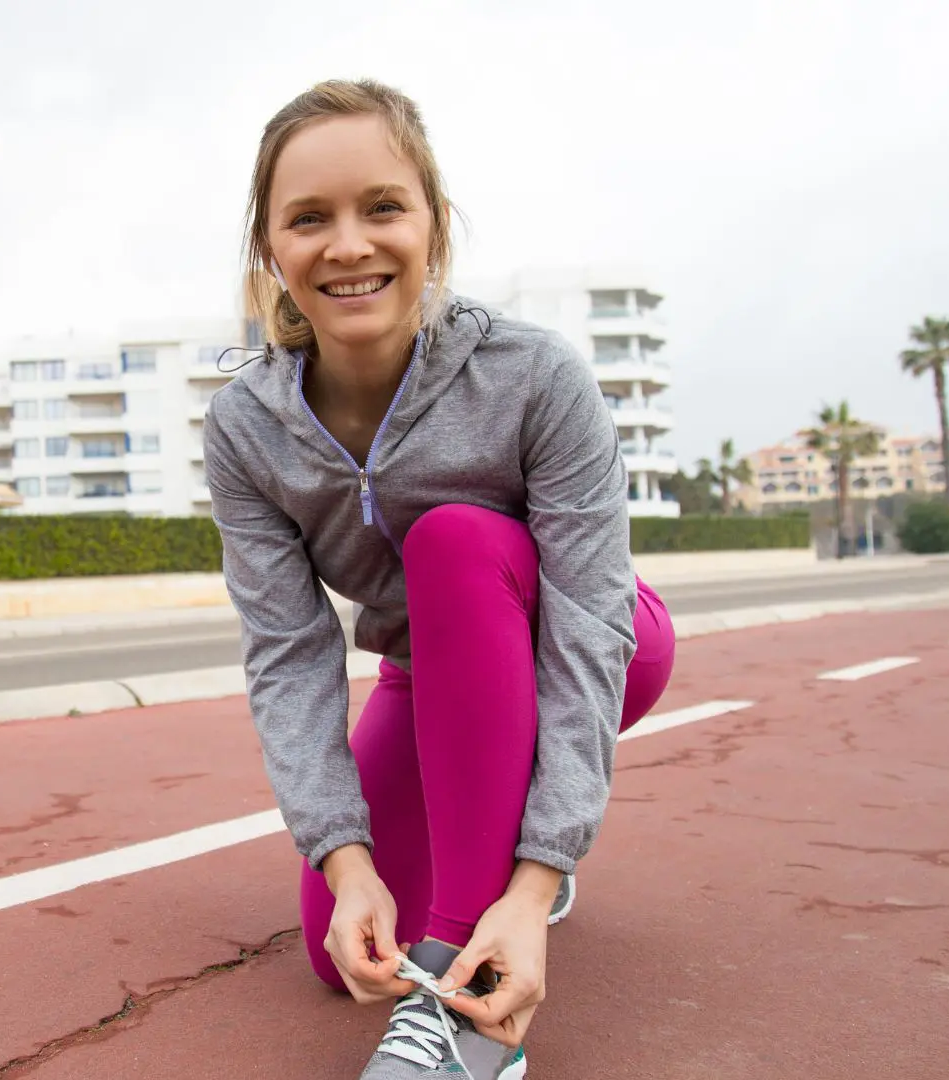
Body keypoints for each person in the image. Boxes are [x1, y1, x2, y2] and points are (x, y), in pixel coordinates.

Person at [203, 79, 677, 1079]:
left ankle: (475, 1026)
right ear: (270, 251)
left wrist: (537, 880)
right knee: (341, 953)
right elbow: (291, 659)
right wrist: (345, 857)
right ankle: (486, 870)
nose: (349, 245)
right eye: (308, 218)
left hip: (592, 638)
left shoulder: (535, 377)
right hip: (428, 674)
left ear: (433, 224)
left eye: (382, 207)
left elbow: (593, 620)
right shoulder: (246, 430)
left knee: (455, 539)